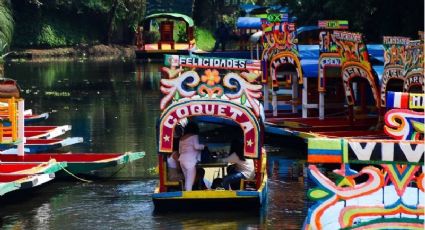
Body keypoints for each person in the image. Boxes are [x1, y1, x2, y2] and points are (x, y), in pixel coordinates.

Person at [179, 122, 205, 191]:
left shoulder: (182, 138)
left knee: (187, 180)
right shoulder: (195, 136)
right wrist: (204, 145)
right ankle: (188, 199)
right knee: (190, 183)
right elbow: (197, 147)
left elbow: (180, 151)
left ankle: (185, 196)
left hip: (182, 160)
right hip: (190, 161)